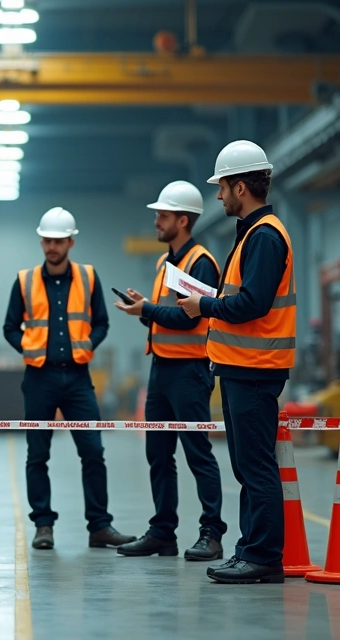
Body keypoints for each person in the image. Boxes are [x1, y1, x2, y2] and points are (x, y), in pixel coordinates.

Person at [178, 140, 295, 584]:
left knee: (256, 466)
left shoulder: (264, 236)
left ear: (241, 186)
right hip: (240, 366)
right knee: (247, 466)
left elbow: (253, 304)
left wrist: (202, 308)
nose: (219, 196)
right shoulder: (253, 234)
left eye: (223, 187)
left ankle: (263, 557)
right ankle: (251, 550)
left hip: (255, 368)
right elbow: (242, 299)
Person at [3, 207, 137, 551]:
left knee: (93, 451)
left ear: (70, 242)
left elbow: (102, 323)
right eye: (47, 240)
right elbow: (9, 328)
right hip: (39, 378)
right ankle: (43, 525)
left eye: (58, 241)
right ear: (41, 241)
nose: (51, 246)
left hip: (78, 378)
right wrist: (28, 347)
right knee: (38, 455)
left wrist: (89, 344)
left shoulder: (89, 278)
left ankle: (100, 526)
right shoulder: (24, 281)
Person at [113, 180, 228, 561]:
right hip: (161, 372)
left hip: (190, 373)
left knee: (198, 453)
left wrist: (146, 310)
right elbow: (166, 319)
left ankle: (211, 534)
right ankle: (163, 532)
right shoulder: (165, 263)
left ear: (183, 220)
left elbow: (187, 319)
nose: (157, 222)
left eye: (162, 216)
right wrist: (143, 309)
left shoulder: (202, 263)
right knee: (158, 454)